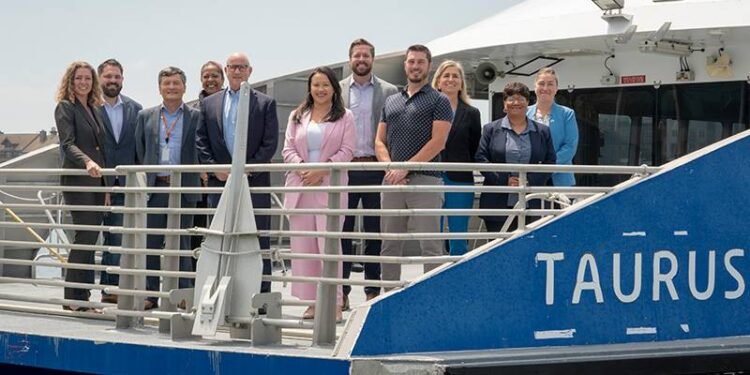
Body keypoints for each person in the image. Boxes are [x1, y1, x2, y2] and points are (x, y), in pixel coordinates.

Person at [196, 52, 278, 297]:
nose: (238, 71)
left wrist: (247, 169)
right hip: (219, 182)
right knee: (218, 237)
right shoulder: (209, 104)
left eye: (243, 67)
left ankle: (260, 295)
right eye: (233, 67)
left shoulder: (265, 103)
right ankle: (217, 293)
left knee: (257, 239)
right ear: (226, 70)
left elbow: (270, 142)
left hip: (254, 182)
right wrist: (214, 168)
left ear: (250, 71)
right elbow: (201, 141)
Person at [375, 44, 453, 285]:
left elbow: (438, 142)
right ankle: (387, 297)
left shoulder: (439, 100)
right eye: (411, 61)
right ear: (405, 65)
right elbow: (379, 140)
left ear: (429, 66)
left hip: (426, 180)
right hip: (392, 181)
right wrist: (391, 168)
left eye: (420, 62)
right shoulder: (391, 101)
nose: (415, 66)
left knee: (430, 245)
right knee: (389, 244)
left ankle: (432, 299)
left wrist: (404, 168)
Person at [282, 66, 355, 321]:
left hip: (329, 188)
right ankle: (312, 302)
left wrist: (321, 172)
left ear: (334, 88)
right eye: (316, 85)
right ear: (310, 88)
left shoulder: (345, 116)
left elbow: (347, 151)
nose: (321, 89)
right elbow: (288, 149)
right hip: (301, 187)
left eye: (325, 85)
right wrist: (303, 169)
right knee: (305, 248)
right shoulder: (297, 115)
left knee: (329, 247)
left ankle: (335, 303)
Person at [135, 67, 202, 310]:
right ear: (159, 88)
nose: (171, 87)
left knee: (182, 243)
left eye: (176, 83)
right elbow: (140, 150)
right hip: (156, 188)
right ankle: (150, 294)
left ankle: (182, 295)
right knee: (151, 243)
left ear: (184, 87)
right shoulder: (145, 116)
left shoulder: (196, 116)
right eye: (167, 84)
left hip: (184, 188)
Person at [339, 38, 398, 305]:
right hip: (345, 169)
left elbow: (394, 131)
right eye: (356, 55)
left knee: (376, 231)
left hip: (377, 167)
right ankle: (341, 292)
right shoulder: (337, 90)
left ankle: (372, 291)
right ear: (350, 59)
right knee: (342, 232)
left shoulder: (389, 90)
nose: (361, 59)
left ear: (373, 59)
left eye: (366, 55)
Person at [54, 61, 106, 312]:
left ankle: (82, 298)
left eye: (87, 78)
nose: (83, 82)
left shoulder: (93, 109)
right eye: (78, 78)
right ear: (70, 81)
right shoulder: (65, 107)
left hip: (96, 182)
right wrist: (87, 162)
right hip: (78, 179)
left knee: (91, 238)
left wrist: (106, 186)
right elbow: (67, 143)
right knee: (84, 236)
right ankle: (72, 299)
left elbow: (100, 148)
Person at [476, 82, 556, 233]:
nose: (516, 102)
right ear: (505, 104)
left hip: (534, 202)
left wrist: (529, 180)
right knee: (498, 249)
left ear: (528, 103)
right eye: (511, 98)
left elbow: (550, 161)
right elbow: (481, 158)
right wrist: (503, 179)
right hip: (497, 202)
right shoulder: (490, 129)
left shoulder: (543, 132)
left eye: (521, 98)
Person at [96, 58, 143, 304]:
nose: (113, 81)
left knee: (116, 237)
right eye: (108, 77)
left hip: (125, 185)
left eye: (117, 77)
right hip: (95, 184)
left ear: (122, 80)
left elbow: (140, 150)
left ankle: (110, 288)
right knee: (86, 238)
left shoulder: (136, 109)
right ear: (99, 78)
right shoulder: (88, 107)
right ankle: (76, 292)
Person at [431, 60, 481, 256]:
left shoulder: (472, 113)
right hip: (431, 177)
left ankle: (458, 281)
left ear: (461, 83)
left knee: (459, 236)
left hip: (460, 180)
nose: (451, 80)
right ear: (438, 81)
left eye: (455, 76)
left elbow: (475, 147)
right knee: (432, 235)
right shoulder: (427, 110)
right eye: (446, 75)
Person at [186, 61, 225, 264]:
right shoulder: (193, 110)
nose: (210, 80)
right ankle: (195, 277)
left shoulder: (230, 106)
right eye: (206, 76)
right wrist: (203, 169)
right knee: (197, 231)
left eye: (214, 76)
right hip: (199, 181)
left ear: (222, 78)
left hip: (223, 178)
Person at [526, 67, 579, 187]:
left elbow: (570, 146)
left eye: (550, 84)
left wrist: (547, 166)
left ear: (556, 89)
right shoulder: (524, 114)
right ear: (535, 87)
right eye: (541, 83)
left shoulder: (567, 114)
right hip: (530, 178)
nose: (545, 88)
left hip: (560, 179)